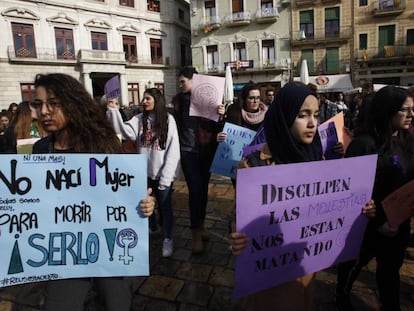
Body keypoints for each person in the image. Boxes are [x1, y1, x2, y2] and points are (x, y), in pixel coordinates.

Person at [229, 82, 375, 311]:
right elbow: (240, 216)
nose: (312, 123)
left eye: (316, 115)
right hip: (268, 276)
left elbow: (331, 205)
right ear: (284, 117)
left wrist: (359, 209)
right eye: (302, 115)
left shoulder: (318, 158)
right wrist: (238, 237)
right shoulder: (254, 164)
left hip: (303, 267)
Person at [31, 73, 156, 311]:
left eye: (53, 104)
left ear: (72, 103)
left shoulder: (103, 144)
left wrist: (146, 203)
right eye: (39, 104)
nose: (44, 111)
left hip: (109, 251)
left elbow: (127, 193)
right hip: (64, 254)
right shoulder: (40, 150)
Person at [335, 85, 414, 311]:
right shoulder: (364, 144)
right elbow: (349, 189)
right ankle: (342, 298)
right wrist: (377, 220)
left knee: (390, 274)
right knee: (352, 268)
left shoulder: (408, 141)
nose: (411, 115)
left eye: (412, 110)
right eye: (405, 110)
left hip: (398, 225)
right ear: (387, 111)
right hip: (365, 227)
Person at [107, 87, 180, 257]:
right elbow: (124, 131)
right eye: (143, 98)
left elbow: (173, 151)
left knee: (165, 206)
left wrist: (166, 178)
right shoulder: (139, 119)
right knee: (145, 205)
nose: (143, 101)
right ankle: (152, 227)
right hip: (143, 173)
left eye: (147, 98)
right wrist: (113, 111)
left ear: (157, 100)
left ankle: (167, 238)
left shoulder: (169, 121)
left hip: (162, 174)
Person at [172, 66, 225, 253]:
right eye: (179, 82)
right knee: (194, 191)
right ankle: (195, 233)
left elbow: (217, 127)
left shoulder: (209, 98)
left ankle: (201, 227)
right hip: (187, 153)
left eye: (183, 81)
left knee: (203, 191)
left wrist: (220, 115)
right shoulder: (177, 101)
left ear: (194, 80)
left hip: (206, 151)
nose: (180, 85)